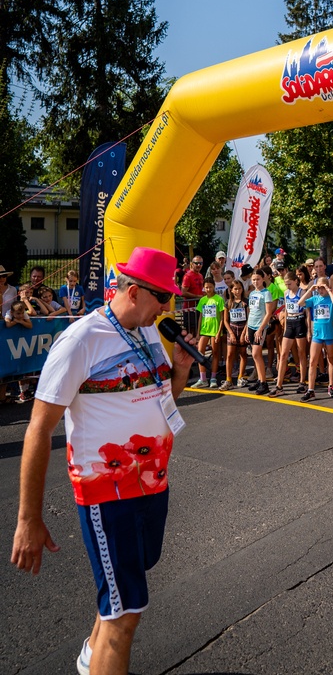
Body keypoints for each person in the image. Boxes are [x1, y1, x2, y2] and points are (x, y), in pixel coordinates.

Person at [11, 246, 195, 675]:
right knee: (126, 613)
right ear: (134, 291)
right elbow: (38, 428)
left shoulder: (149, 331)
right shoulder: (79, 341)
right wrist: (28, 518)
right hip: (107, 494)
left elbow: (160, 403)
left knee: (122, 590)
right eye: (162, 297)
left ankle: (92, 656)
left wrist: (181, 372)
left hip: (153, 485)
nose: (168, 306)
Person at [246, 268, 276, 395]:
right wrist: (247, 329)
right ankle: (260, 379)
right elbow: (251, 311)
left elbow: (268, 313)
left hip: (260, 327)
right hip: (251, 325)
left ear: (263, 279)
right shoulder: (252, 294)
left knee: (256, 354)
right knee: (255, 355)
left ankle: (264, 383)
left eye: (258, 279)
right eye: (253, 280)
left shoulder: (266, 293)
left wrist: (260, 329)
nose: (255, 282)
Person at [192, 277, 225, 389]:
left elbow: (222, 317)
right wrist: (197, 333)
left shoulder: (218, 299)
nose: (208, 289)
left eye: (210, 287)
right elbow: (200, 316)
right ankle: (203, 378)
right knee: (200, 352)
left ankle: (213, 378)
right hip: (204, 330)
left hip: (215, 330)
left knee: (215, 353)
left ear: (214, 287)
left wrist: (219, 332)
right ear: (204, 288)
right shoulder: (202, 300)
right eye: (206, 287)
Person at [222, 279, 249, 388]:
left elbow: (249, 318)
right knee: (230, 354)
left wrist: (244, 333)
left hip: (243, 328)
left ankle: (240, 377)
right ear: (231, 290)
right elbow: (225, 320)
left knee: (243, 353)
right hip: (232, 329)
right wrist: (231, 333)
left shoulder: (245, 302)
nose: (238, 291)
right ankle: (228, 379)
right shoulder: (228, 303)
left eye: (239, 289)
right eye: (235, 289)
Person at [181, 256, 204, 335]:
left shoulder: (200, 275)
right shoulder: (188, 276)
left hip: (199, 308)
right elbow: (183, 292)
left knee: (199, 330)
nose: (199, 265)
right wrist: (198, 296)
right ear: (191, 264)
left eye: (200, 263)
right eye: (196, 263)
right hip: (189, 308)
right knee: (190, 332)